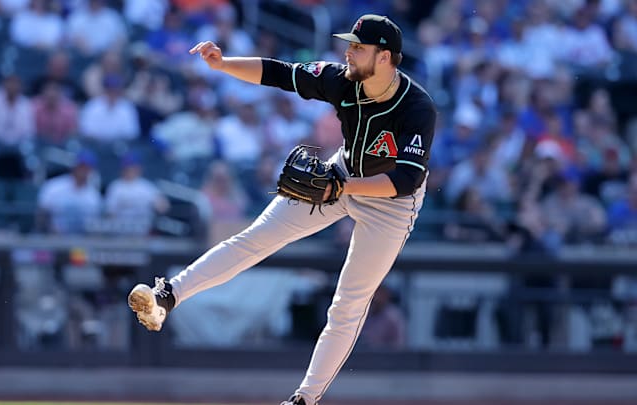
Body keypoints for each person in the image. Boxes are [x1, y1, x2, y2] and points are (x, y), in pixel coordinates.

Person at [128, 14, 436, 405]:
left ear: (385, 57)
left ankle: (305, 399)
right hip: (343, 171)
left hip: (391, 204)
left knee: (349, 302)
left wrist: (341, 186)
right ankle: (166, 297)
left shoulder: (417, 106)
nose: (348, 51)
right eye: (350, 44)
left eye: (359, 47)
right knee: (254, 238)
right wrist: (224, 64)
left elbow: (405, 179)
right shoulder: (340, 79)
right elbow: (281, 73)